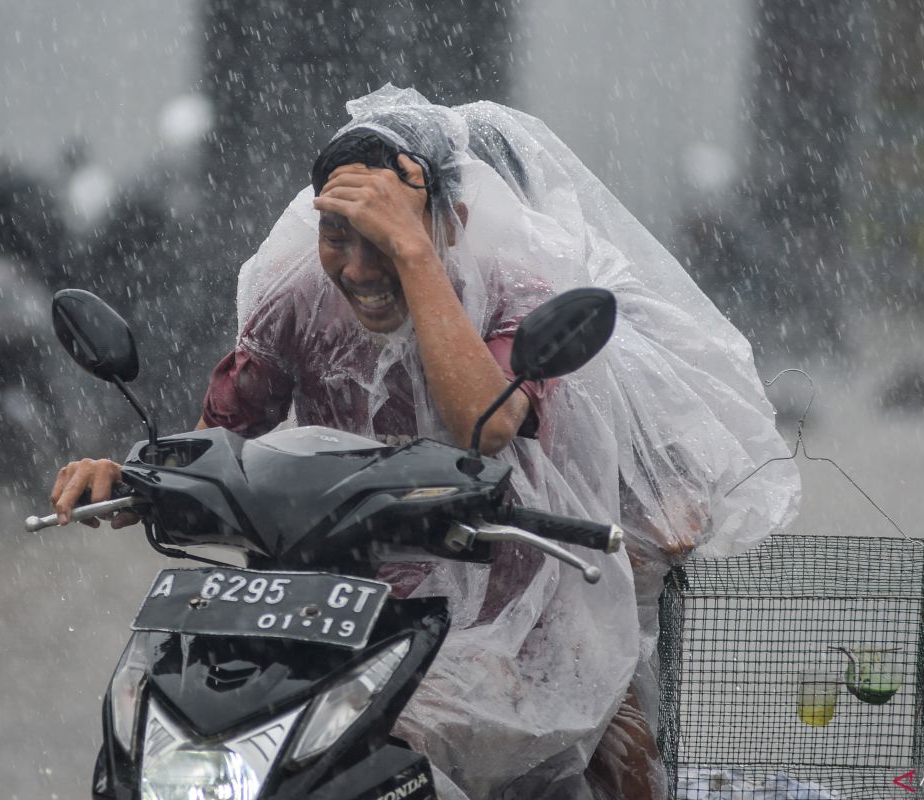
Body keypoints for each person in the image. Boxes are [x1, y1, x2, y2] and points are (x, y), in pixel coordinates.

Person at [52, 86, 799, 800]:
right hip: (336, 601)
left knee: (619, 742)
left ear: (453, 222)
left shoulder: (513, 291)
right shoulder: (296, 293)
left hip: (523, 592)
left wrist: (415, 256)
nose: (358, 266)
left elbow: (486, 421)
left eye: (385, 235)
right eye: (336, 234)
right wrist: (129, 479)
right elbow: (217, 438)